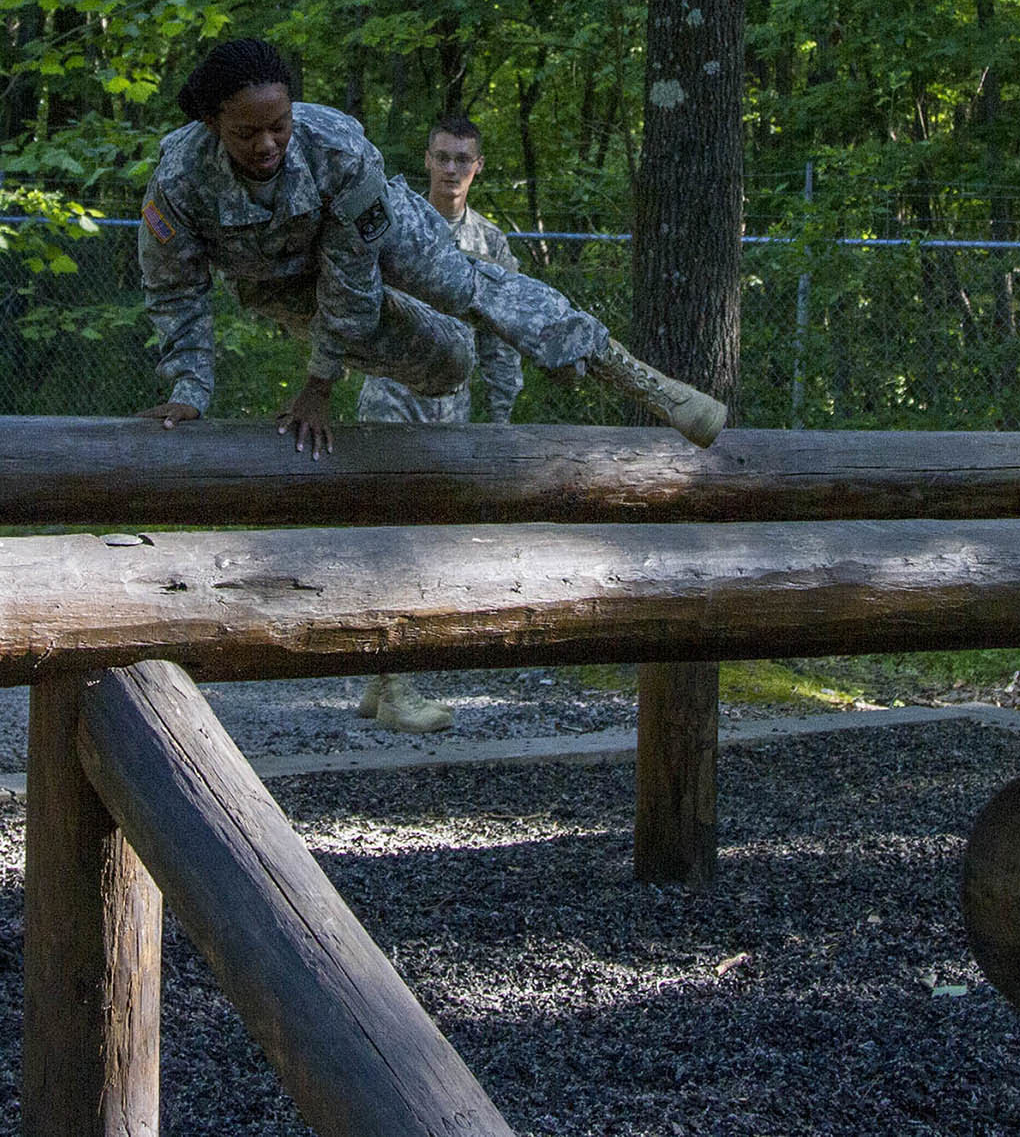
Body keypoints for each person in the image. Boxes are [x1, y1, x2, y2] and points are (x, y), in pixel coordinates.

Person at [135, 38, 725, 455]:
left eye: (280, 125)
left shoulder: (338, 149)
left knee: (461, 284)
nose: (268, 143)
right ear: (212, 124)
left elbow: (353, 277)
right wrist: (189, 390)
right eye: (247, 132)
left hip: (374, 239)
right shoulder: (179, 181)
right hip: (281, 282)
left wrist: (319, 386)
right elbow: (176, 289)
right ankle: (440, 351)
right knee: (450, 364)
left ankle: (639, 379)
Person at [351, 116, 525, 733]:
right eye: (442, 157)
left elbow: (506, 333)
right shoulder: (395, 226)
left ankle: (384, 680)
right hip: (390, 403)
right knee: (395, 545)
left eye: (463, 160)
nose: (451, 169)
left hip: (450, 412)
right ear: (426, 160)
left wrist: (501, 417)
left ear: (478, 168)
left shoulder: (490, 243)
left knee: (420, 545)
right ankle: (398, 686)